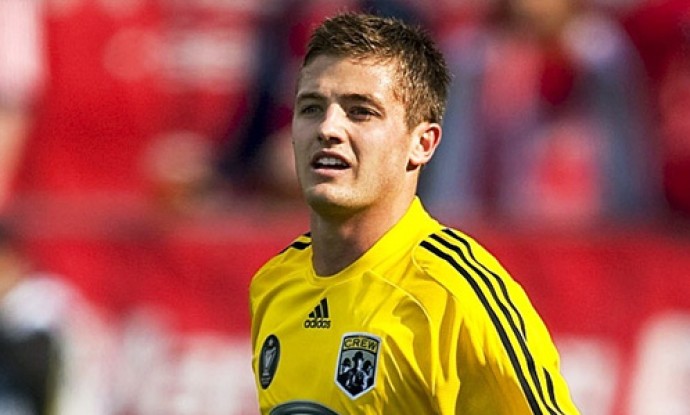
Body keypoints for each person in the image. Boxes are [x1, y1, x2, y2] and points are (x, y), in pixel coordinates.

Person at [249, 12, 580, 414]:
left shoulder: (455, 295)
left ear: (422, 143)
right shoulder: (274, 284)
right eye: (311, 108)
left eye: (361, 111)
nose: (328, 128)